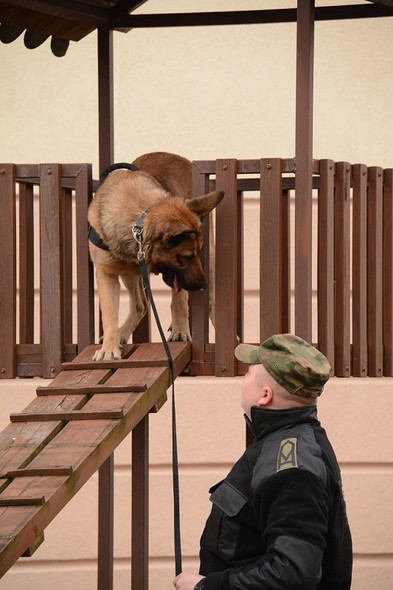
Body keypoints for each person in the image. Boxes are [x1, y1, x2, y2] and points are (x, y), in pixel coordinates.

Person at [173, 333, 352, 590]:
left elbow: (292, 574)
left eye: (247, 374)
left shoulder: (292, 467)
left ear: (265, 395)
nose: (242, 380)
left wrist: (207, 587)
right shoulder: (290, 440)